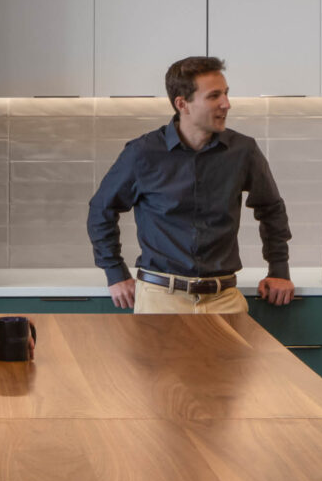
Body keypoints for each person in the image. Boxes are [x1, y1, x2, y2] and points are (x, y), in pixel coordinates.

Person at [87, 55, 295, 314]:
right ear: (182, 104)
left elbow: (271, 209)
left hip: (224, 299)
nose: (226, 104)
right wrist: (115, 272)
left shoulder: (243, 151)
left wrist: (279, 270)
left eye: (226, 94)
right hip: (160, 300)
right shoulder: (142, 153)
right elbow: (101, 210)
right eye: (214, 96)